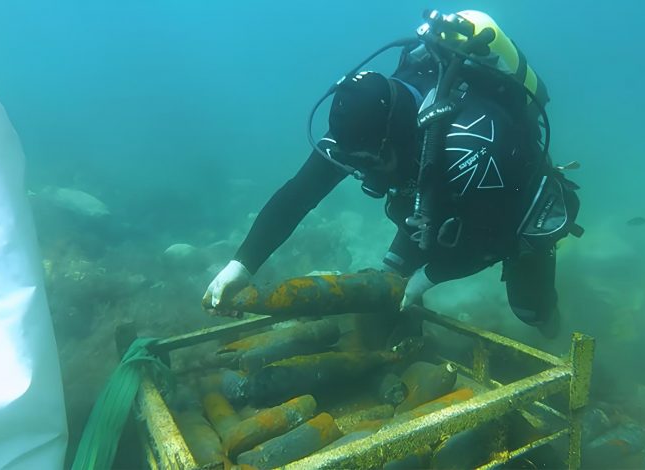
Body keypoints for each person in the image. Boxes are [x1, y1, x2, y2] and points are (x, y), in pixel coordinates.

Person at [203, 9, 581, 339]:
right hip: (434, 197)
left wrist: (427, 278)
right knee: (389, 278)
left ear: (395, 140)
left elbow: (492, 241)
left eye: (368, 164)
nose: (362, 175)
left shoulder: (471, 142)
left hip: (509, 207)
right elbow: (298, 194)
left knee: (530, 311)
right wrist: (242, 264)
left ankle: (555, 322)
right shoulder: (362, 131)